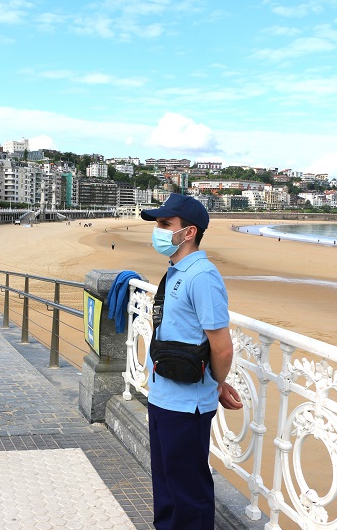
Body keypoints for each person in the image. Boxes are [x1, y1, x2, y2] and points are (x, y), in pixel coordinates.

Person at [140, 194, 242, 530]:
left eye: (164, 224)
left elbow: (222, 347)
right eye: (157, 223)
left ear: (188, 232)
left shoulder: (202, 276)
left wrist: (216, 383)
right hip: (163, 395)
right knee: (167, 485)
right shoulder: (176, 271)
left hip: (188, 404)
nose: (157, 230)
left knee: (188, 491)